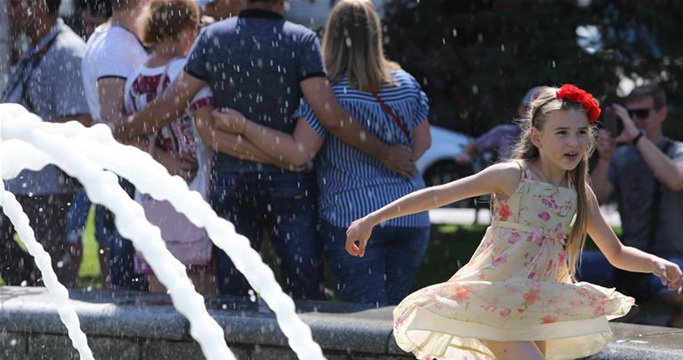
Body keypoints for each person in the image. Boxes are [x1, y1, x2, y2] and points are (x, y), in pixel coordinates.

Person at [345, 84, 683, 360]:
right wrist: (370, 220)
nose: (573, 142)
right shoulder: (513, 176)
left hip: (535, 306)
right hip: (495, 302)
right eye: (562, 133)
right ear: (537, 137)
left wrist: (656, 263)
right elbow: (438, 194)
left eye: (581, 133)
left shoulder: (579, 193)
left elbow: (616, 252)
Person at [112, 0, 417, 302]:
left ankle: (238, 347)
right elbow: (331, 116)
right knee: (304, 289)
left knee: (234, 292)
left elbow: (171, 104)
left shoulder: (214, 37)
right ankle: (301, 348)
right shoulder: (300, 39)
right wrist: (385, 152)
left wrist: (118, 128)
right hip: (289, 184)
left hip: (232, 181)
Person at [211, 0, 431, 306]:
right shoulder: (406, 84)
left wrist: (241, 128)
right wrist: (396, 163)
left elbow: (300, 150)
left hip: (352, 215)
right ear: (375, 33)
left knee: (366, 316)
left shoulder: (328, 94)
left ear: (332, 36)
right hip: (410, 215)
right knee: (396, 311)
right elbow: (423, 143)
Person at [578, 83, 683, 328]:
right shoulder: (621, 157)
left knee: (673, 290)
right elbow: (595, 200)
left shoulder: (680, 151)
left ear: (661, 113)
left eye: (642, 114)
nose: (634, 121)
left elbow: (676, 179)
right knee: (568, 265)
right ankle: (622, 314)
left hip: (671, 253)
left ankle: (682, 306)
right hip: (628, 256)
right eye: (630, 115)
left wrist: (637, 137)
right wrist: (605, 159)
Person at [123, 0, 216, 295]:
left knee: (159, 294)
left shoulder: (134, 79)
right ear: (187, 30)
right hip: (194, 192)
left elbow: (126, 137)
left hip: (150, 199)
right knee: (203, 292)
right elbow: (207, 127)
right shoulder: (189, 74)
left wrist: (160, 159)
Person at [1, 0, 91, 287]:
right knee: (25, 268)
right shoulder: (37, 48)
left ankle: (55, 322)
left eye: (16, 4)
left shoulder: (67, 51)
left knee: (52, 268)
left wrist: (22, 137)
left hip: (48, 189)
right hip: (24, 184)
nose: (10, 12)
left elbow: (79, 124)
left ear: (38, 5)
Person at [81, 0, 151, 291]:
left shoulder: (106, 35)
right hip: (125, 174)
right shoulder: (118, 47)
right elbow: (112, 124)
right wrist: (162, 157)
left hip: (118, 172)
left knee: (126, 280)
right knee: (131, 287)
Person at [454, 86, 543, 165]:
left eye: (543, 112)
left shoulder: (552, 137)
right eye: (533, 110)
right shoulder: (505, 133)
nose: (537, 116)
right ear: (522, 110)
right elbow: (473, 146)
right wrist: (465, 154)